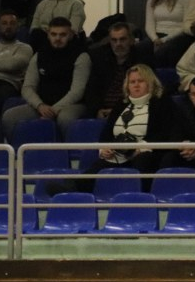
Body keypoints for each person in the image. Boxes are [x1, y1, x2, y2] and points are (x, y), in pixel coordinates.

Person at [52, 65, 178, 195]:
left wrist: (142, 147)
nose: (136, 85)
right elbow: (107, 132)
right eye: (132, 82)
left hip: (146, 154)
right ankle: (71, 190)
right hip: (118, 153)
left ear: (150, 83)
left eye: (141, 81)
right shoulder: (121, 104)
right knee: (99, 165)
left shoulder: (162, 103)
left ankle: (138, 197)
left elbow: (165, 132)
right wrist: (104, 148)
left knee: (143, 161)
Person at [1, 17, 90, 141]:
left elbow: (77, 91)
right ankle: (17, 151)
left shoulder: (82, 56)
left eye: (62, 35)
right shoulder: (39, 55)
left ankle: (67, 152)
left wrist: (54, 110)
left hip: (73, 105)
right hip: (42, 105)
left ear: (70, 35)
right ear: (48, 34)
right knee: (9, 117)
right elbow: (27, 87)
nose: (57, 38)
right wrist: (40, 105)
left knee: (65, 118)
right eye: (54, 34)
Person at [84, 22, 153, 119]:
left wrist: (117, 111)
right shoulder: (101, 59)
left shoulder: (142, 58)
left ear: (131, 40)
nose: (118, 44)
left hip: (132, 110)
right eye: (114, 40)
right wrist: (97, 110)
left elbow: (148, 89)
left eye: (122, 39)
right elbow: (92, 90)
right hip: (102, 112)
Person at [0, 11, 34, 119]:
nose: (8, 27)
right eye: (4, 23)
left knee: (1, 96)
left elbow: (11, 65)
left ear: (18, 27)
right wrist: (2, 66)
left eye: (12, 23)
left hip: (8, 83)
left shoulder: (24, 48)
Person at [143, 0, 192, 66]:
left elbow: (186, 26)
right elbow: (149, 24)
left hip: (176, 36)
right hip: (157, 35)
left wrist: (164, 40)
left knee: (166, 50)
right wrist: (155, 39)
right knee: (141, 48)